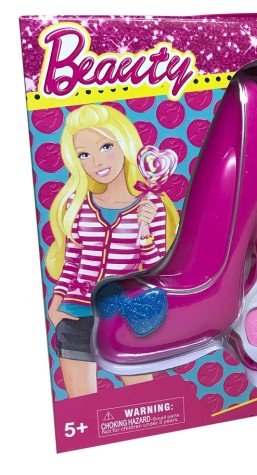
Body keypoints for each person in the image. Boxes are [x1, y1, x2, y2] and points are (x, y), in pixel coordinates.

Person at [46, 104, 179, 397]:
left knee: (145, 400)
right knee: (82, 406)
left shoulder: (151, 205)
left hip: (127, 315)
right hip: (76, 312)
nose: (97, 161)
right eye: (84, 154)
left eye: (106, 146)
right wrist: (56, 306)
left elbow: (154, 270)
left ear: (125, 144)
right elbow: (72, 262)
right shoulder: (78, 205)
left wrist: (145, 232)